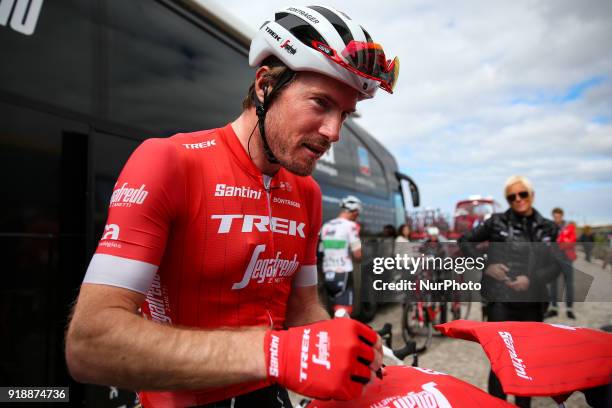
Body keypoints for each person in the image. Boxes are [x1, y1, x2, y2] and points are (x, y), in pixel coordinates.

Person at [65, 5, 399, 407]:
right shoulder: (169, 161)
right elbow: (90, 344)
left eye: (345, 114)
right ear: (264, 87)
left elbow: (304, 309)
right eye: (321, 103)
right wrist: (275, 352)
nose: (333, 132)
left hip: (269, 394)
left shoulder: (305, 191)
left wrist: (367, 361)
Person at [458, 175, 560, 408]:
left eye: (522, 194)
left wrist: (531, 279)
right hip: (500, 301)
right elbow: (464, 241)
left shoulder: (548, 228)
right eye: (512, 196)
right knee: (500, 363)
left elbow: (556, 266)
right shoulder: (495, 222)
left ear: (531, 195)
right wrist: (486, 264)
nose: (518, 199)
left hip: (532, 303)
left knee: (526, 363)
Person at [320, 196, 363, 317]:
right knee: (342, 316)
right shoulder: (351, 226)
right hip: (343, 273)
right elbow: (358, 254)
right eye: (357, 214)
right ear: (354, 211)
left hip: (326, 273)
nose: (357, 216)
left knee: (329, 314)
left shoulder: (326, 226)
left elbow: (321, 251)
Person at [545, 208, 576, 319]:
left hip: (567, 258)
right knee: (552, 284)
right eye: (555, 216)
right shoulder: (549, 226)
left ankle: (569, 309)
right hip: (553, 259)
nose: (557, 218)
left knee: (569, 284)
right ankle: (554, 308)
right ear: (553, 216)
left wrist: (558, 242)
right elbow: (546, 241)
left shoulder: (569, 226)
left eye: (558, 216)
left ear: (562, 216)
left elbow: (572, 241)